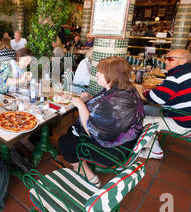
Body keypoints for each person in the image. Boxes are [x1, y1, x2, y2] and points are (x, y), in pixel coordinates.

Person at [58, 57, 144, 187]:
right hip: (125, 141)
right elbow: (105, 111)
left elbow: (92, 131)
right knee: (71, 131)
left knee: (64, 141)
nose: (96, 75)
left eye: (100, 72)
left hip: (112, 151)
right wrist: (91, 99)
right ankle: (75, 158)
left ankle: (88, 175)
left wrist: (80, 105)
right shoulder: (127, 89)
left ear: (112, 76)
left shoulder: (115, 102)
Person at [140, 49, 191, 159]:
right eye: (166, 58)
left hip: (182, 122)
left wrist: (144, 90)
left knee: (141, 121)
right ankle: (149, 141)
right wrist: (156, 89)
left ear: (182, 61)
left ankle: (155, 151)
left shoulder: (176, 77)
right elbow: (171, 92)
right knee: (144, 108)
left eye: (170, 59)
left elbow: (155, 98)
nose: (166, 61)